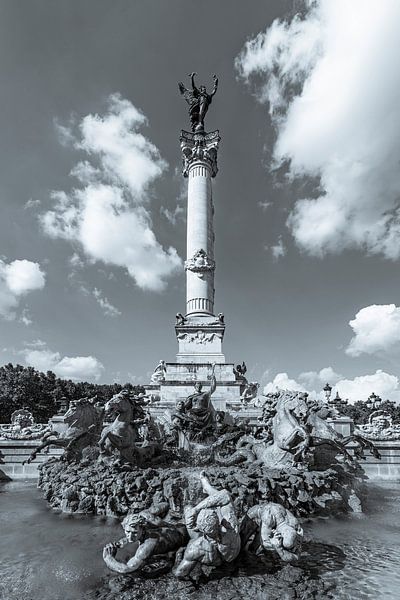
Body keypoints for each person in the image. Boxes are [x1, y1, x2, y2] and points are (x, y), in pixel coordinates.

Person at [173, 471, 240, 579]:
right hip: (232, 553)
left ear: (198, 528)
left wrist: (178, 558)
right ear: (218, 520)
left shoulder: (196, 547)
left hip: (213, 557)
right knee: (219, 500)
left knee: (187, 509)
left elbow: (179, 573)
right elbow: (224, 495)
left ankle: (206, 488)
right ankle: (207, 487)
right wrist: (197, 509)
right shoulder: (230, 525)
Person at [102, 505, 188, 575]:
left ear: (142, 529)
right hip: (179, 526)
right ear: (124, 527)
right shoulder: (145, 515)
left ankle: (179, 552)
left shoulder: (147, 546)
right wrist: (123, 541)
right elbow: (165, 505)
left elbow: (127, 569)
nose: (130, 536)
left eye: (134, 532)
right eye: (127, 531)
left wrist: (109, 559)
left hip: (186, 537)